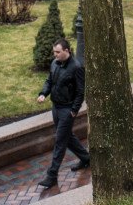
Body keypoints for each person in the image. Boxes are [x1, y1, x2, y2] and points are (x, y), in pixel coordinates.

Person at [36, 38, 90, 189]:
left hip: (67, 110)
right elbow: (49, 81)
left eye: (58, 52)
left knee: (60, 141)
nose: (55, 55)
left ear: (67, 51)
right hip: (56, 107)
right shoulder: (54, 64)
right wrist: (43, 94)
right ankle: (86, 158)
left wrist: (73, 111)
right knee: (67, 137)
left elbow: (80, 92)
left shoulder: (77, 67)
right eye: (54, 52)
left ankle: (52, 175)